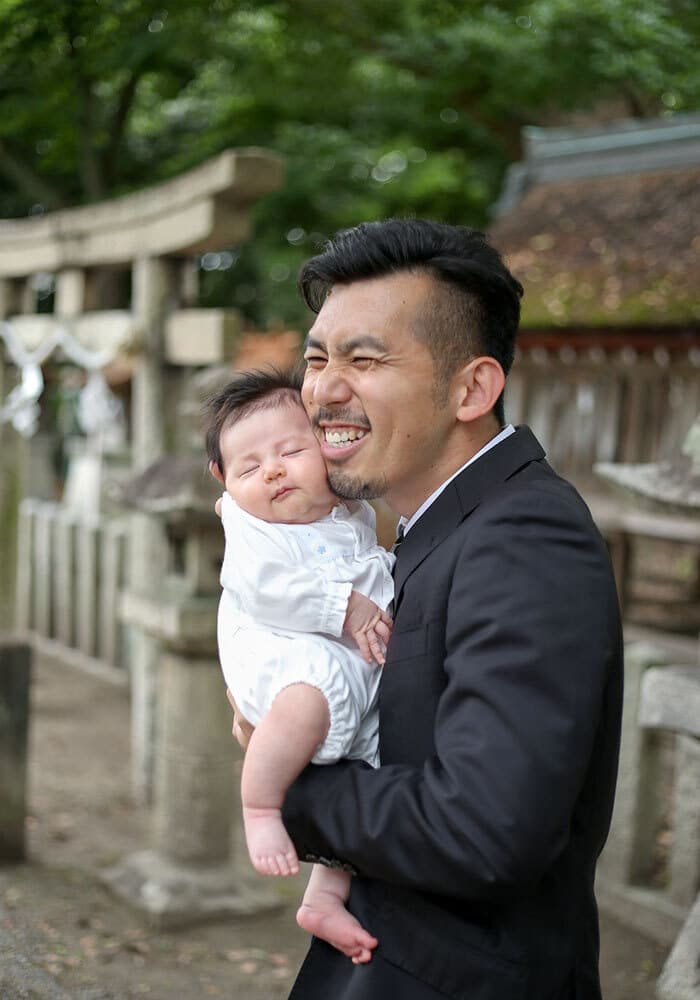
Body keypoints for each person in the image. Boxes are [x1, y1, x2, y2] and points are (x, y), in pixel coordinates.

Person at [227, 219, 624, 1000]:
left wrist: (281, 782)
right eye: (316, 358)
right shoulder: (426, 525)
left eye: (364, 358)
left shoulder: (524, 535)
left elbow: (485, 832)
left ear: (471, 388)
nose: (321, 390)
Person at [204, 368, 394, 964]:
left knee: (375, 756)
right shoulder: (252, 529)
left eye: (290, 450)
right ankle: (260, 807)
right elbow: (263, 589)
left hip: (344, 667)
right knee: (306, 699)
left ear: (325, 449)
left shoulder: (350, 516)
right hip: (279, 653)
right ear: (223, 481)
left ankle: (324, 896)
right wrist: (348, 606)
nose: (274, 471)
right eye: (250, 467)